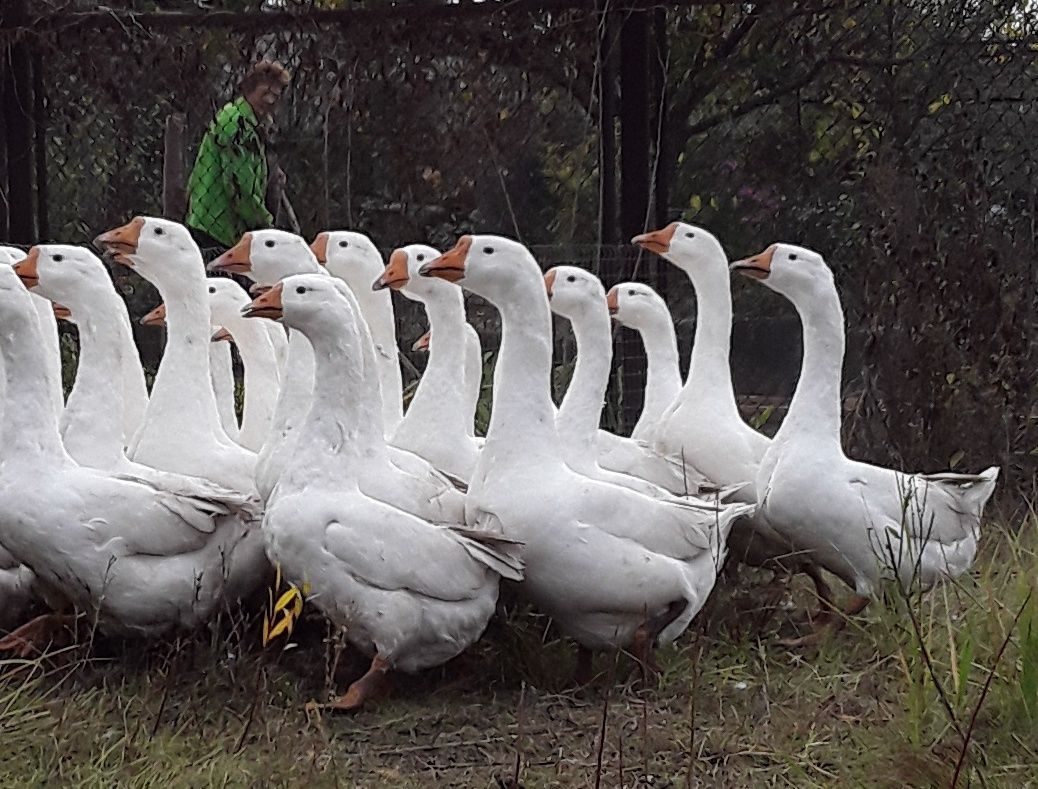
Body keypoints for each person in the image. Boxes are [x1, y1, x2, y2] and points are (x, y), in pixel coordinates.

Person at [185, 61, 290, 253]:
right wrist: (265, 224)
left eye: (276, 95)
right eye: (265, 93)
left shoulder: (248, 122)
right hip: (217, 227)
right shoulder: (237, 123)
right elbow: (240, 186)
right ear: (251, 89)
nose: (270, 101)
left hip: (215, 222)